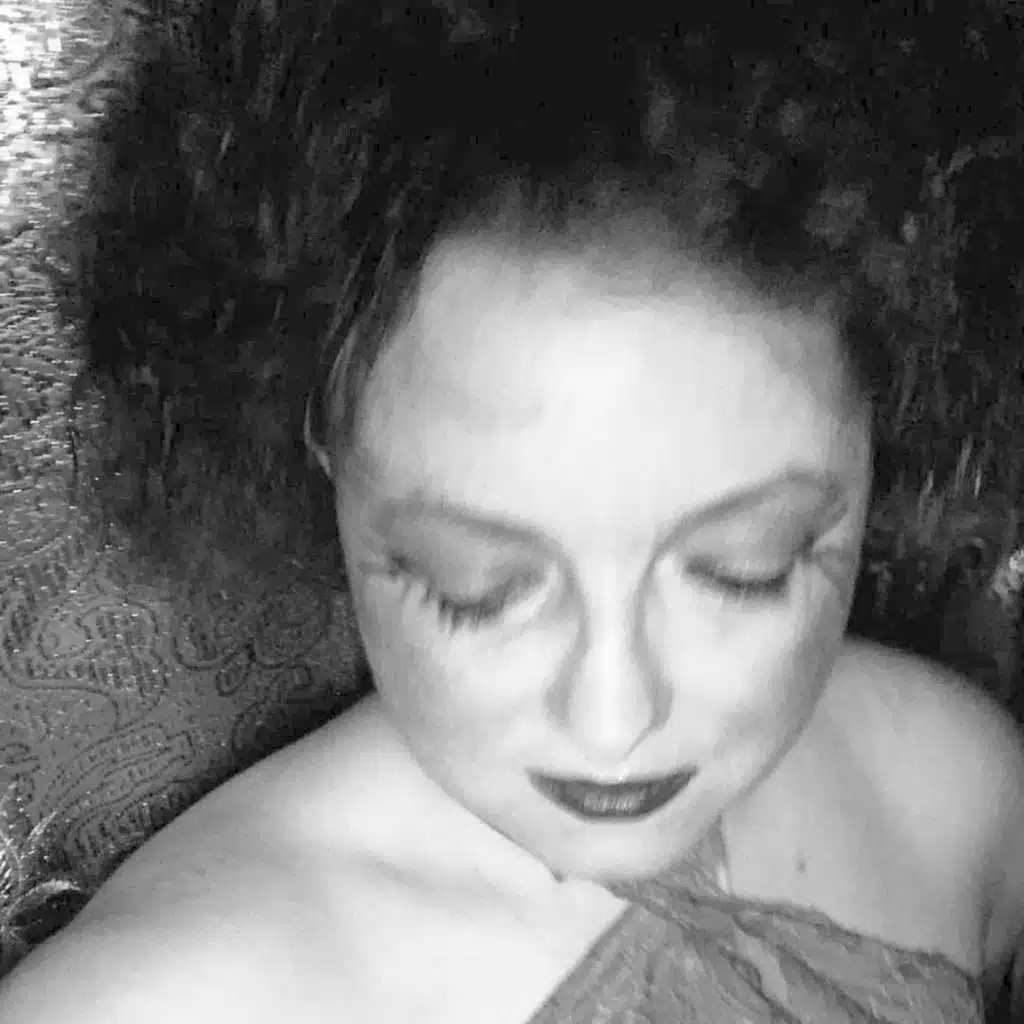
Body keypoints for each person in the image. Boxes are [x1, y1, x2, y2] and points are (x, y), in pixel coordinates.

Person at [2, 17, 1024, 1023]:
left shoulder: (959, 799)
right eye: (477, 589)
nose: (614, 720)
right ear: (317, 442)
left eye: (743, 568)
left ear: (884, 427)